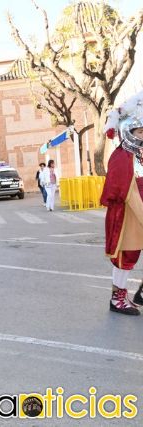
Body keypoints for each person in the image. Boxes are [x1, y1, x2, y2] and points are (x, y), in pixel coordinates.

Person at [101, 90, 143, 315]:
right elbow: (129, 192)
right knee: (125, 257)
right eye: (140, 131)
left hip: (139, 215)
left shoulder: (137, 154)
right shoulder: (122, 156)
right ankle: (117, 298)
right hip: (128, 216)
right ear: (128, 130)